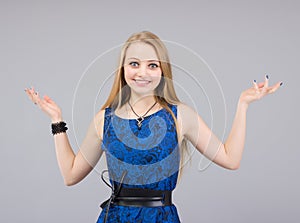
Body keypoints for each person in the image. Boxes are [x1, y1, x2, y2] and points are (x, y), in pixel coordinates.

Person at [24, 31, 283, 223]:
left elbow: (230, 158)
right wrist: (56, 119)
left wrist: (243, 104)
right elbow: (70, 176)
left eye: (152, 65)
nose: (142, 73)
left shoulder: (180, 116)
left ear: (163, 70)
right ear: (123, 69)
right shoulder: (104, 119)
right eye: (134, 63)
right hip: (114, 218)